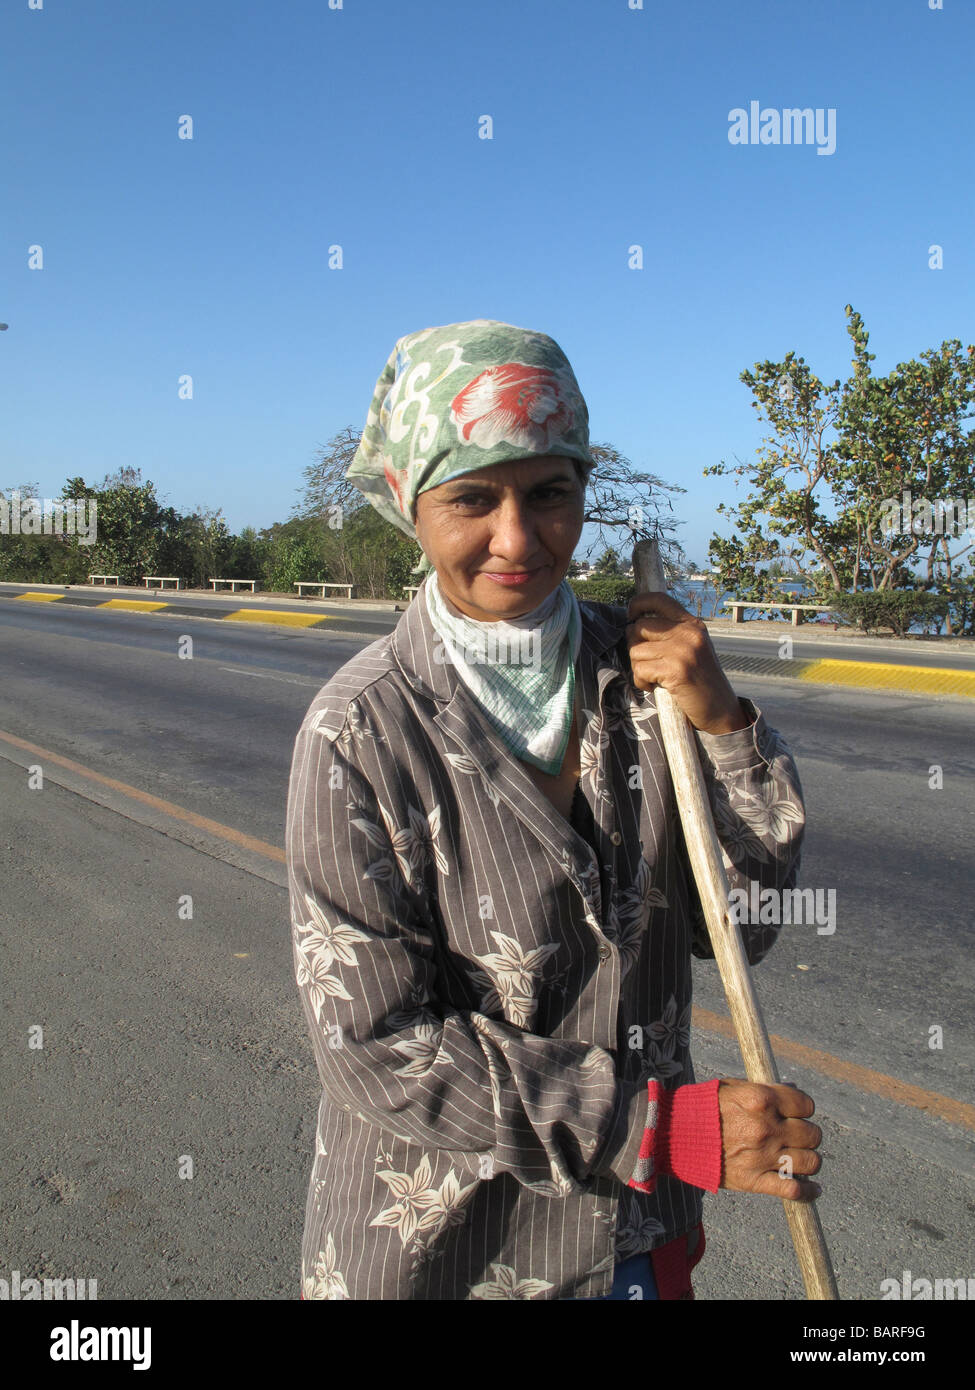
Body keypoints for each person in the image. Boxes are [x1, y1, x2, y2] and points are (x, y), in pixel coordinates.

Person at [286, 319, 821, 1301]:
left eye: (550, 494)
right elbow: (377, 1045)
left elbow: (742, 929)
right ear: (411, 503)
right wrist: (657, 1127)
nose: (519, 540)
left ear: (585, 489)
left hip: (629, 1245)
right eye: (471, 499)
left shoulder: (654, 677)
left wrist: (724, 722)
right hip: (447, 1257)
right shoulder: (358, 731)